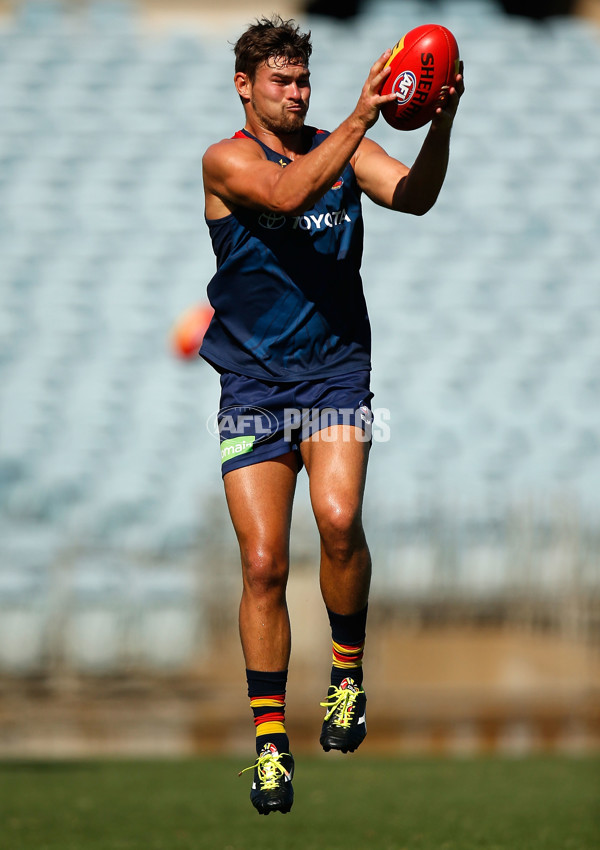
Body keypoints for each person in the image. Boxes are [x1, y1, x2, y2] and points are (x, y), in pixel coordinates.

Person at [200, 14, 464, 815]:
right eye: (280, 81)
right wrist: (360, 115)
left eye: (301, 80)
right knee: (262, 565)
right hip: (251, 386)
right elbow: (288, 190)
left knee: (340, 519)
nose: (293, 93)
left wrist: (440, 123)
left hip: (336, 377)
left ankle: (346, 675)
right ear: (244, 87)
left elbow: (414, 198)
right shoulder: (226, 161)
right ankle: (271, 743)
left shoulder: (345, 147)